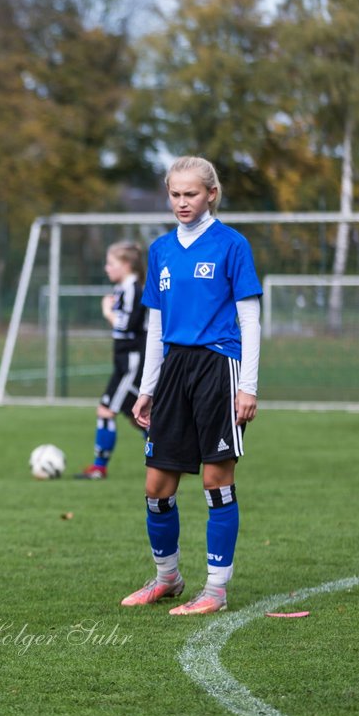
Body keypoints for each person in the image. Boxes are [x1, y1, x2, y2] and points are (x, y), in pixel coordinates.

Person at [121, 156, 262, 616]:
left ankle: (216, 591)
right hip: (174, 369)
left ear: (211, 195)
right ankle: (168, 578)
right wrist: (147, 388)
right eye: (175, 194)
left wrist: (249, 386)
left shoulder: (232, 244)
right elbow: (155, 326)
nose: (182, 202)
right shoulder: (160, 249)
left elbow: (250, 319)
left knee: (215, 480)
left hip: (219, 366)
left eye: (191, 194)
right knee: (157, 485)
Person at [75, 241, 146, 479]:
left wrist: (107, 311)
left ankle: (99, 468)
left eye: (111, 263)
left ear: (126, 265)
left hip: (132, 362)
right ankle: (171, 457)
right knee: (137, 416)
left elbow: (127, 326)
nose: (106, 268)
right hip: (125, 362)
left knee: (106, 411)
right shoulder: (123, 289)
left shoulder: (133, 289)